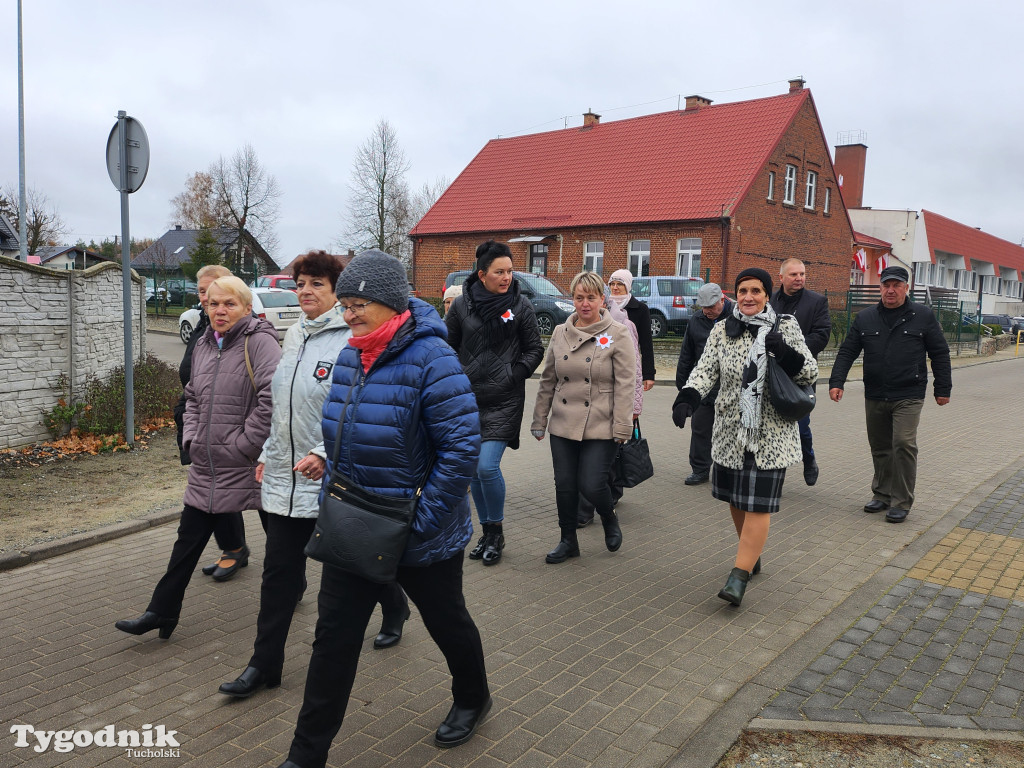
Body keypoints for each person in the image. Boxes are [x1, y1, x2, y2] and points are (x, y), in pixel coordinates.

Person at [278, 252, 490, 768]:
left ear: (391, 304)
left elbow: (461, 449)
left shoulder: (433, 359)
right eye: (345, 305)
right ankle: (306, 756)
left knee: (447, 622)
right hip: (355, 526)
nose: (348, 315)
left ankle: (473, 697)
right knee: (332, 640)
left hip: (420, 533)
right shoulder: (351, 356)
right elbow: (342, 438)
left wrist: (421, 523)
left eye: (358, 304)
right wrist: (333, 492)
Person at [217, 251, 410, 700]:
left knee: (354, 563)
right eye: (300, 283)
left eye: (316, 284)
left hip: (333, 478)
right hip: (287, 477)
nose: (305, 291)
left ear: (339, 293)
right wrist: (268, 451)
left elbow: (354, 404)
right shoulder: (294, 335)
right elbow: (280, 405)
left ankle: (395, 605)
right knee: (278, 574)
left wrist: (324, 451)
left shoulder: (352, 339)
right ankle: (264, 665)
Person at [116, 276, 281, 639]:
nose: (220, 310)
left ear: (246, 306)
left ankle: (381, 597)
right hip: (207, 463)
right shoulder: (206, 342)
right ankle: (161, 611)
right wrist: (190, 436)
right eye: (213, 303)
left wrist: (244, 444)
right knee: (187, 541)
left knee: (280, 536)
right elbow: (191, 396)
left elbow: (273, 399)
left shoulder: (261, 342)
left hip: (249, 462)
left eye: (229, 304)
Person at [673, 268, 817, 606]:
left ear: (767, 295)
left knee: (757, 504)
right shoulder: (723, 329)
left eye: (756, 291)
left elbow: (810, 371)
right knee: (737, 500)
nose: (748, 297)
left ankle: (738, 577)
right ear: (733, 295)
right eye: (742, 291)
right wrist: (688, 397)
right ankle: (751, 554)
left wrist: (785, 352)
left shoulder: (786, 327)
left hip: (771, 433)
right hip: (729, 433)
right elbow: (706, 370)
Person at [445, 241, 544, 566]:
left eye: (510, 271)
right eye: (499, 272)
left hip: (504, 399)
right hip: (467, 400)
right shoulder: (461, 306)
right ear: (482, 274)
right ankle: (486, 533)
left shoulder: (521, 306)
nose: (506, 277)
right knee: (473, 469)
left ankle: (497, 531)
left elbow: (534, 349)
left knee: (487, 466)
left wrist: (514, 374)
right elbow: (448, 348)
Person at [828, 265, 952, 524]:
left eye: (896, 285)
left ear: (906, 288)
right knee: (881, 446)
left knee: (904, 444)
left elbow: (939, 353)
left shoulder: (923, 316)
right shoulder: (866, 317)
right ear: (880, 288)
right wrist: (836, 381)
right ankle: (882, 494)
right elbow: (848, 350)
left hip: (909, 392)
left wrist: (943, 388)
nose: (891, 290)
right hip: (875, 392)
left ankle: (902, 501)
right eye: (886, 285)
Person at [531, 271, 636, 564]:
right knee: (564, 484)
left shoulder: (618, 333)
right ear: (573, 299)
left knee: (591, 483)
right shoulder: (561, 332)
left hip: (602, 421)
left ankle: (608, 516)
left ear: (602, 299)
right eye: (579, 297)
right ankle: (568, 541)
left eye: (591, 297)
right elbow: (548, 379)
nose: (585, 304)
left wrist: (623, 424)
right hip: (564, 420)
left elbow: (626, 383)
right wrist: (540, 419)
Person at [172, 264, 251, 581]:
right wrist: (188, 424)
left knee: (230, 494)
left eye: (211, 291)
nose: (205, 298)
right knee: (212, 494)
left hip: (230, 431)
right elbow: (192, 382)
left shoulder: (243, 334)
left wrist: (242, 443)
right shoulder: (205, 330)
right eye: (201, 292)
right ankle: (234, 549)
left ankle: (277, 569)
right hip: (201, 423)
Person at [769, 258, 832, 486]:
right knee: (774, 426)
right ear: (782, 277)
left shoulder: (816, 302)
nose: (799, 279)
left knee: (801, 424)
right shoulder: (769, 300)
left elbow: (822, 335)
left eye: (802, 274)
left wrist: (793, 350)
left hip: (800, 373)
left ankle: (809, 459)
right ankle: (776, 476)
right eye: (794, 274)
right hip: (773, 372)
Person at [674, 283, 733, 486]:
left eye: (711, 307)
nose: (707, 311)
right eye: (703, 307)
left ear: (722, 300)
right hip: (703, 386)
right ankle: (699, 469)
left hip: (729, 387)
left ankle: (727, 469)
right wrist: (683, 385)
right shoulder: (696, 321)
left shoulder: (736, 318)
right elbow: (686, 353)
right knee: (700, 428)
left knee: (728, 431)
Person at [607, 269, 656, 391]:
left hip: (629, 364)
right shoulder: (604, 306)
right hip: (605, 362)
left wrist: (649, 374)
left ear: (627, 286)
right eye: (612, 284)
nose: (615, 287)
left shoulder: (640, 309)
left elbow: (646, 343)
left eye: (619, 284)